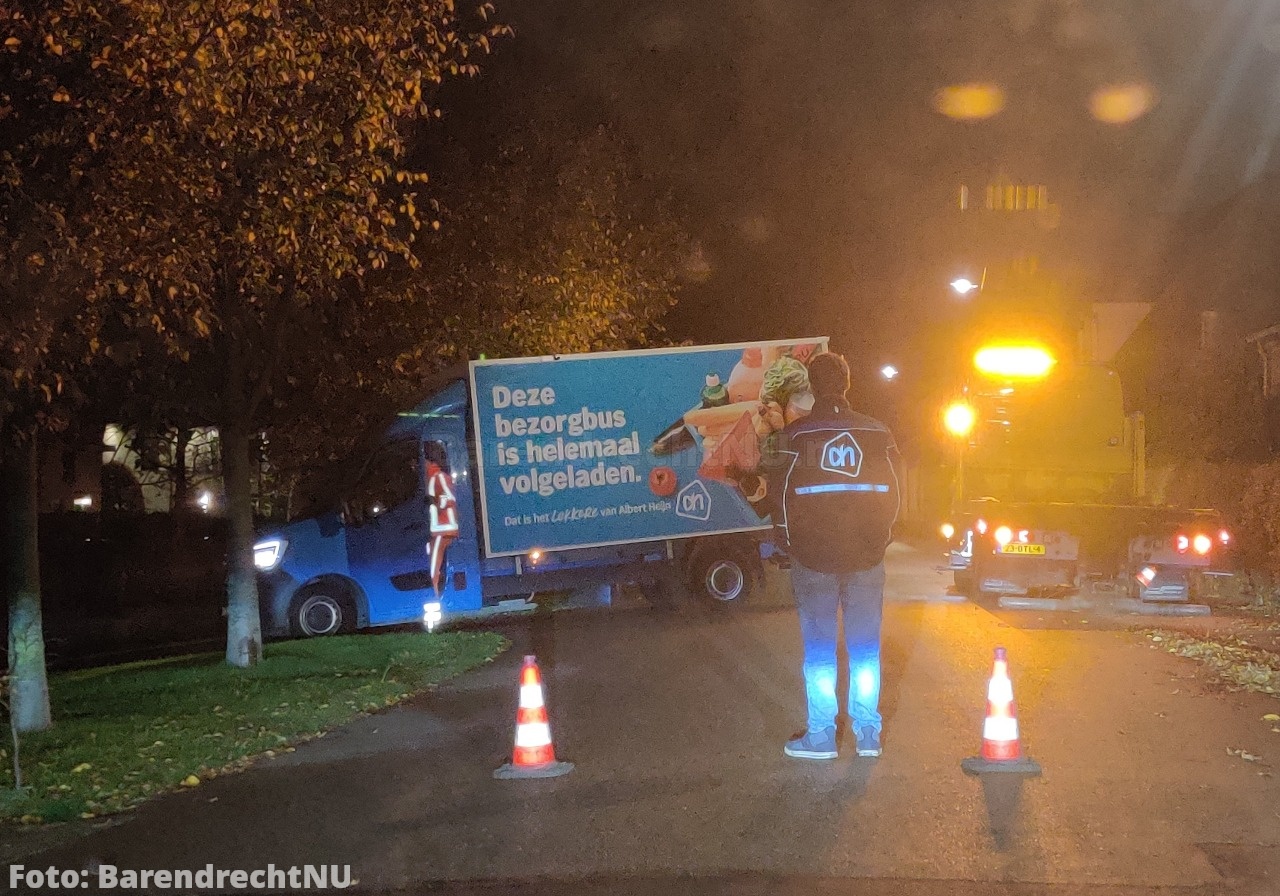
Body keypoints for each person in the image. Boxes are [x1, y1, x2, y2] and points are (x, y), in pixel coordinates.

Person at [765, 352, 900, 759]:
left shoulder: (796, 437)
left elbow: (779, 497)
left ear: (810, 386)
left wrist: (790, 545)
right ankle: (868, 734)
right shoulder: (878, 433)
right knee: (865, 649)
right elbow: (895, 494)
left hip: (814, 561)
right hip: (866, 559)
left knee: (820, 650)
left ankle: (822, 736)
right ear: (847, 382)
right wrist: (880, 541)